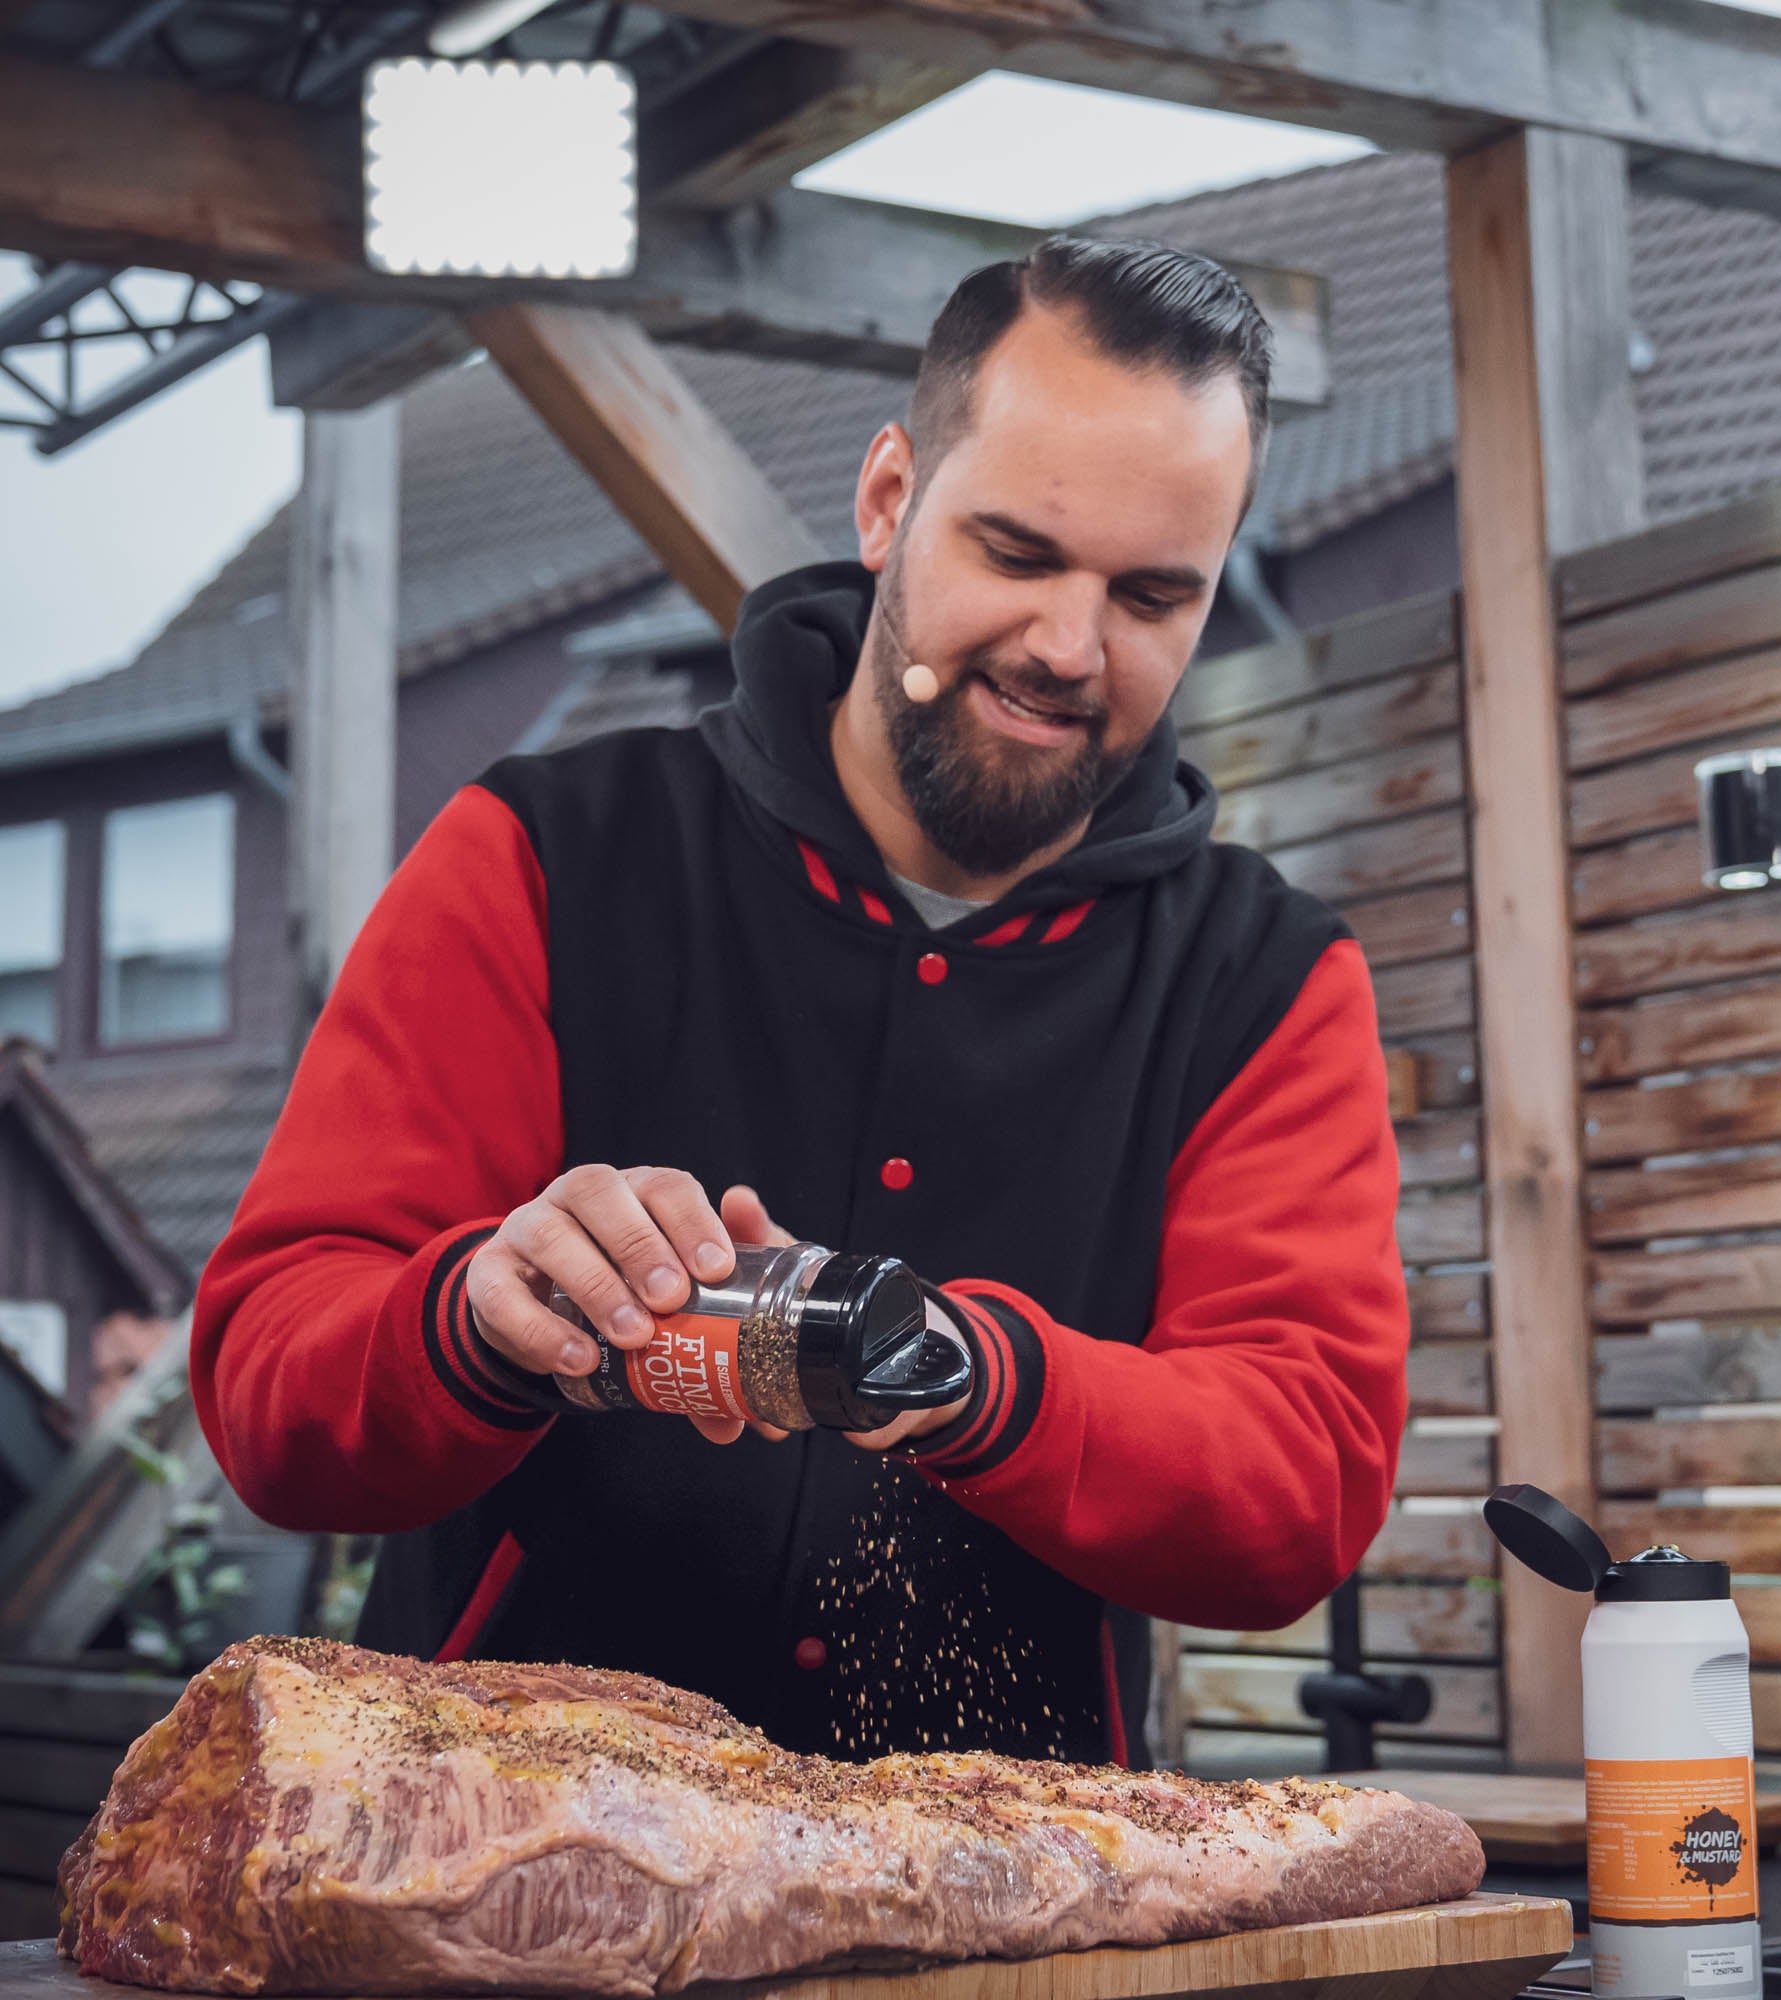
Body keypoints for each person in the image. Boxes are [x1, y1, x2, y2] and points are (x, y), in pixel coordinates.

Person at [192, 239, 1409, 1767]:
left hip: (1000, 1900)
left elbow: (1298, 1487)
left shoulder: (1265, 979)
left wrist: (973, 1380)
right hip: (491, 1859)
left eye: (1154, 595)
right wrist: (471, 1316)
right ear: (891, 497)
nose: (1070, 649)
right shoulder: (547, 855)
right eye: (1019, 555)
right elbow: (264, 1389)